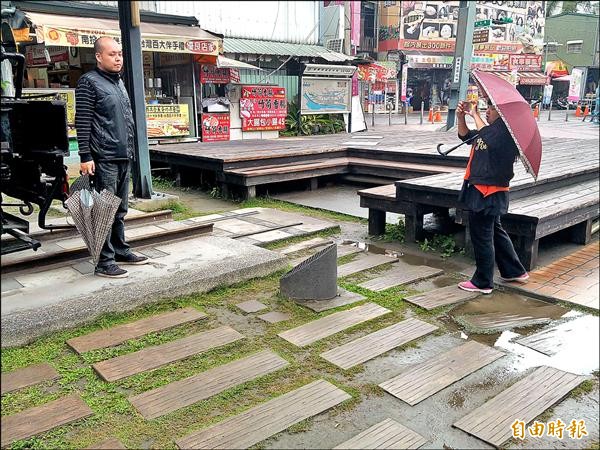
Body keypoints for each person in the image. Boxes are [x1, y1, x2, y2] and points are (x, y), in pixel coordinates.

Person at [75, 37, 149, 278]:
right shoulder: (89, 82)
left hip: (122, 156)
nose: (118, 59)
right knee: (103, 211)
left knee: (119, 210)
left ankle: (119, 249)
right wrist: (85, 155)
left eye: (120, 54)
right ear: (98, 56)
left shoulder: (118, 82)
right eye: (112, 54)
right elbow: (83, 121)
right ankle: (103, 262)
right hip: (103, 158)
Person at [455, 99, 529, 294]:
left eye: (491, 108)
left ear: (503, 113)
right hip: (482, 187)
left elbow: (489, 139)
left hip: (487, 190)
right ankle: (514, 270)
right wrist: (461, 117)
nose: (487, 111)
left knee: (482, 236)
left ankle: (483, 282)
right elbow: (465, 136)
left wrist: (475, 115)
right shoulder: (490, 130)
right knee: (495, 231)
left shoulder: (504, 132)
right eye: (486, 107)